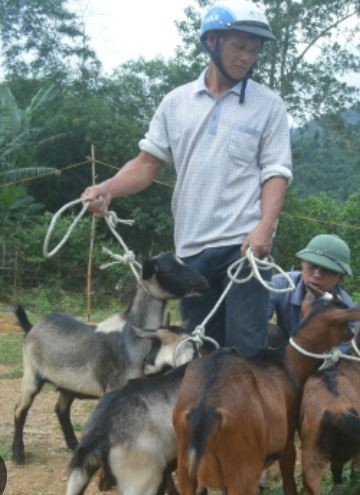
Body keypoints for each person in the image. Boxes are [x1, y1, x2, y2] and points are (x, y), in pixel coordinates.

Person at [82, 1, 292, 358]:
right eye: (239, 46)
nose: (247, 57)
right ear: (212, 41)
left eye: (253, 50)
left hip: (243, 247)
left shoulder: (269, 105)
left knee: (246, 353)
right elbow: (148, 162)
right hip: (190, 251)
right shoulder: (175, 102)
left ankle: (247, 415)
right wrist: (107, 189)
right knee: (198, 351)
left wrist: (265, 227)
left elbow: (276, 172)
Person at [267, 234, 354, 341]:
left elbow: (345, 349)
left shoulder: (347, 309)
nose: (317, 274)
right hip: (281, 350)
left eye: (327, 270)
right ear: (302, 263)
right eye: (312, 265)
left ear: (340, 277)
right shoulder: (279, 285)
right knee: (270, 334)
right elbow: (255, 321)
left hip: (320, 354)